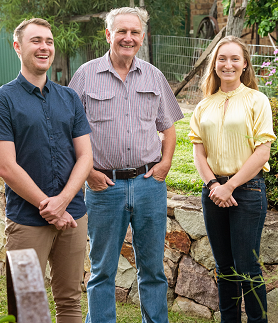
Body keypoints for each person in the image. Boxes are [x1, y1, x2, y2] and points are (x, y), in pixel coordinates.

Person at [69, 6, 183, 323]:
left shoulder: (154, 76)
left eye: (134, 32)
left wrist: (166, 164)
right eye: (121, 31)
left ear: (142, 37)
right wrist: (88, 172)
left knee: (152, 269)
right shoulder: (85, 75)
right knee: (102, 269)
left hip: (149, 186)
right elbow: (67, 130)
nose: (127, 38)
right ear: (109, 34)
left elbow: (169, 126)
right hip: (104, 187)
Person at [0, 18, 93, 323]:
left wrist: (63, 201)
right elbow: (6, 166)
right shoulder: (2, 101)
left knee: (70, 301)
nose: (45, 47)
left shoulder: (69, 98)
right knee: (27, 306)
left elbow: (85, 156)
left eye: (49, 41)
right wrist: (50, 207)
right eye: (36, 41)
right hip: (27, 222)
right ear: (18, 47)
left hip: (74, 216)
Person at [189, 35, 276, 323]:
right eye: (221, 59)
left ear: (245, 64)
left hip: (247, 191)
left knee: (247, 267)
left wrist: (230, 185)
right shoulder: (204, 106)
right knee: (224, 267)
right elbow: (198, 154)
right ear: (214, 65)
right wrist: (215, 185)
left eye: (234, 58)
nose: (228, 64)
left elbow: (262, 152)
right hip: (213, 192)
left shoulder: (257, 100)